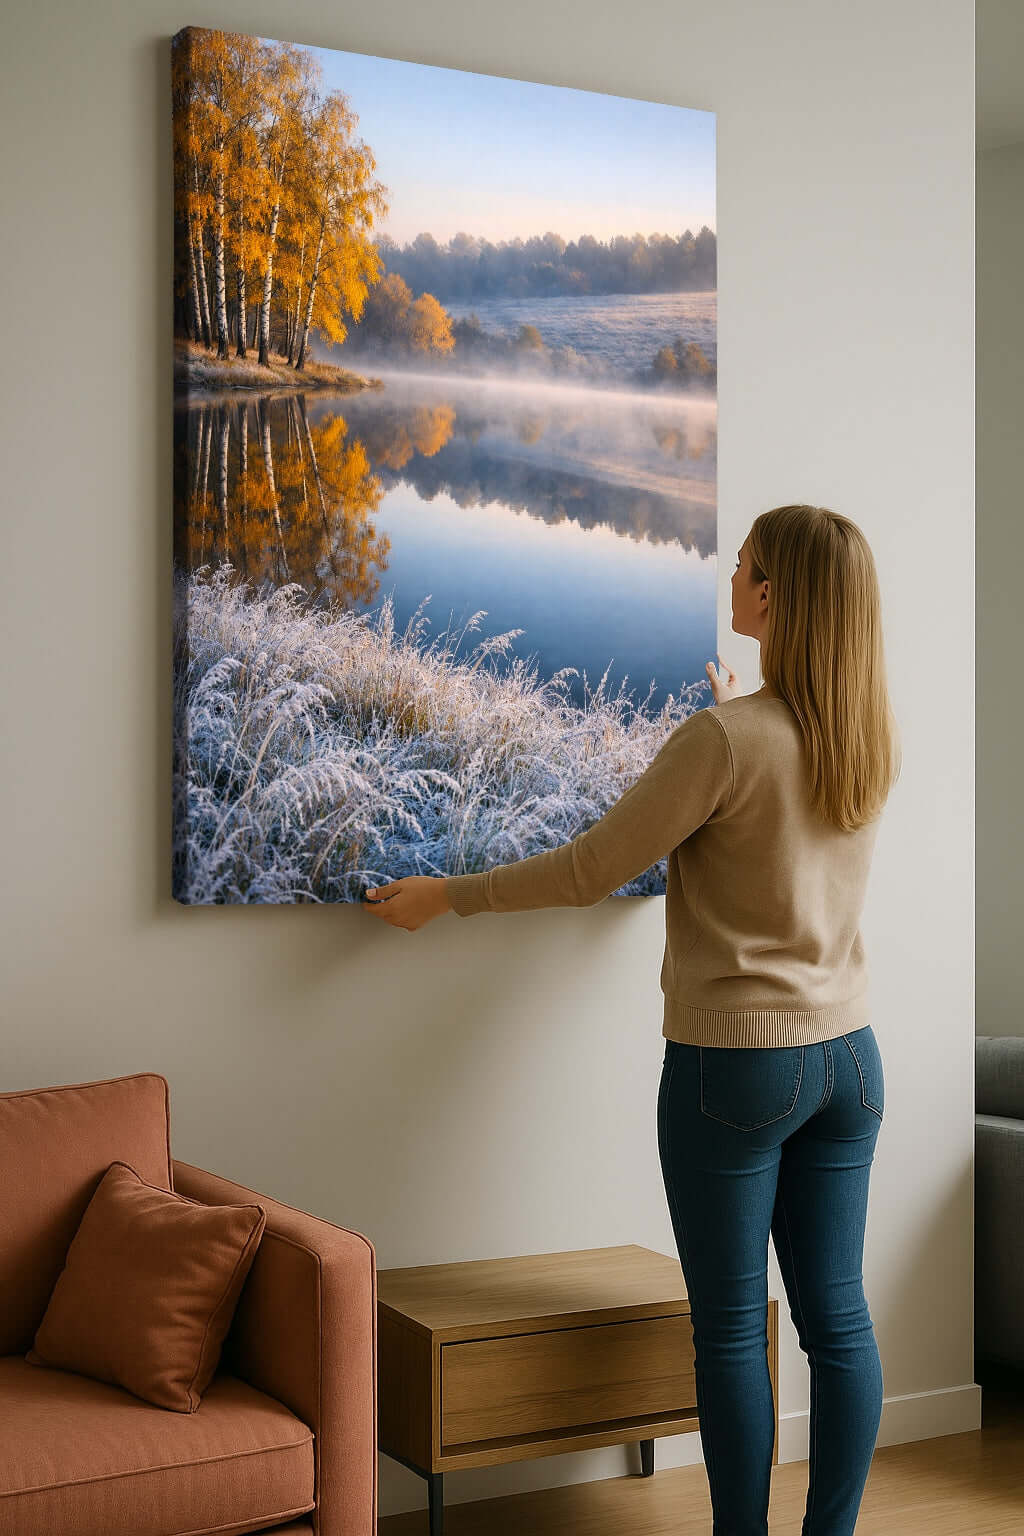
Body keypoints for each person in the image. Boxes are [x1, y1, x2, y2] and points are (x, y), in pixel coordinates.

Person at [363, 502, 901, 1536]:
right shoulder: (858, 736)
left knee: (731, 1331)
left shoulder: (723, 740)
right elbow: (772, 817)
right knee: (837, 1320)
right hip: (850, 1060)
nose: (729, 576)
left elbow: (586, 872)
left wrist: (448, 895)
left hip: (737, 1068)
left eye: (741, 564)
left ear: (775, 594)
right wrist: (737, 712)